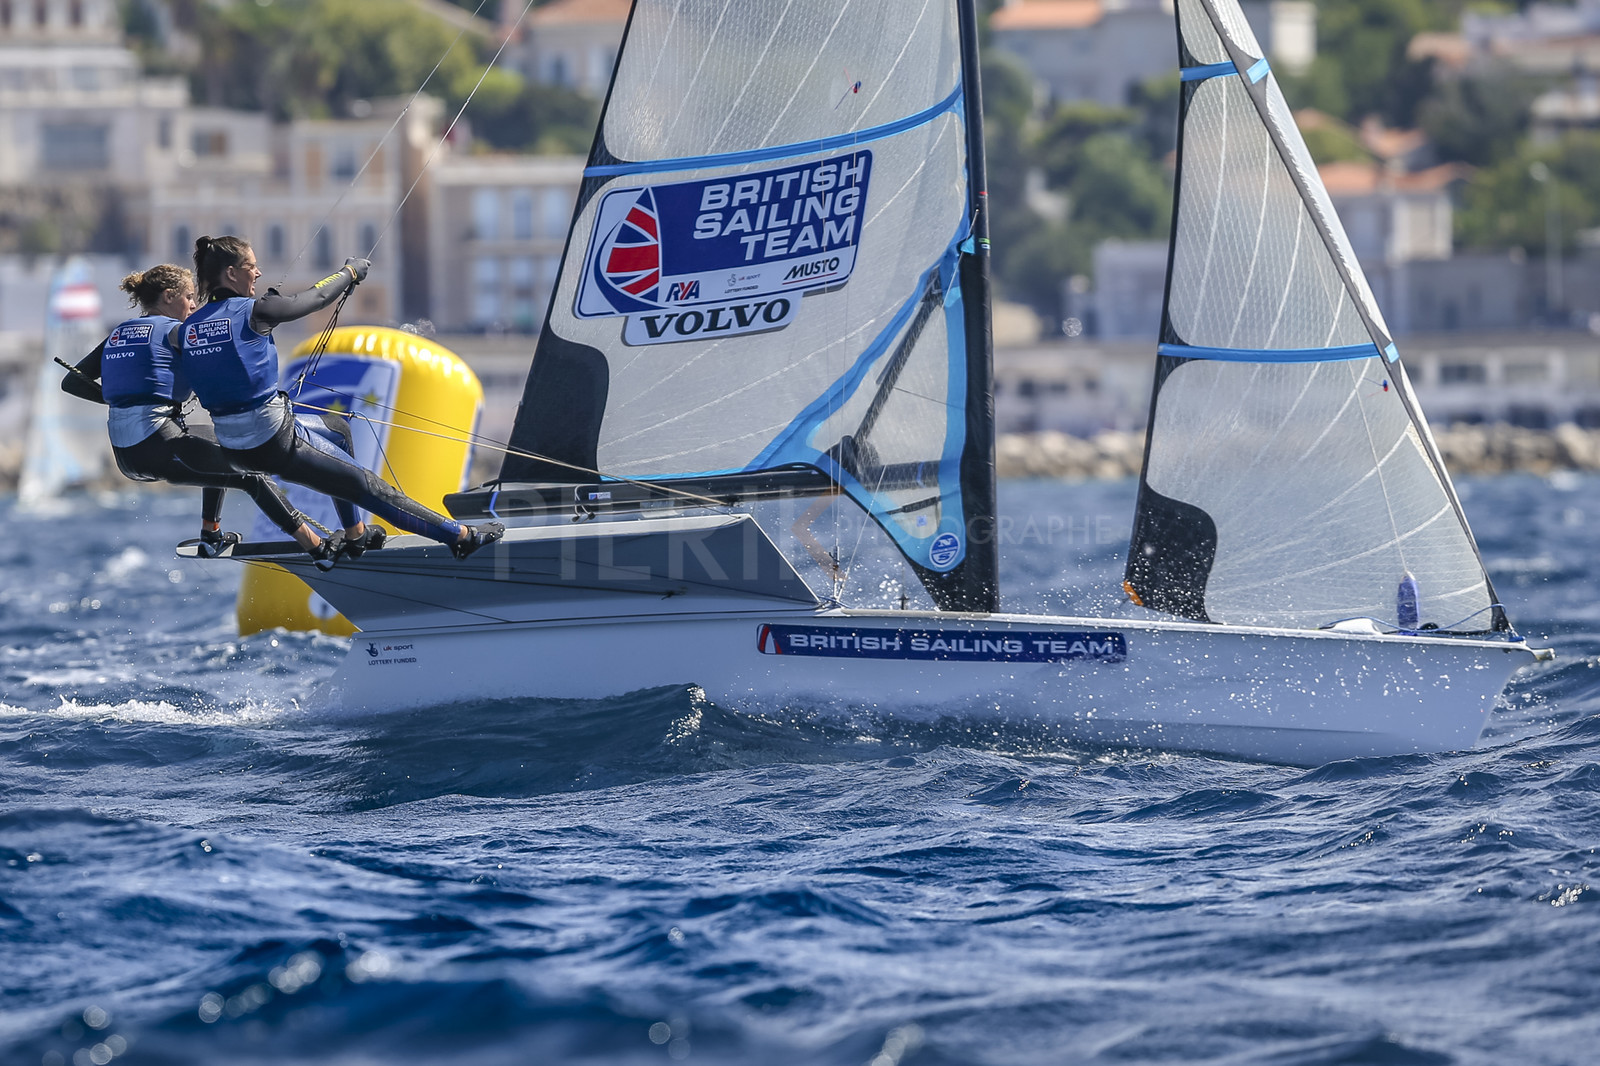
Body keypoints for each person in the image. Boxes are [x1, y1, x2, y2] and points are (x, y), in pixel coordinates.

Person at [179, 235, 502, 558]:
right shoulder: (256, 310)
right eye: (251, 266)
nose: (259, 273)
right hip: (275, 441)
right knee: (372, 490)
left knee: (338, 430)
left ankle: (356, 533)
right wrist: (350, 273)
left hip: (235, 451)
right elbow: (317, 298)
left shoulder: (188, 328)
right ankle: (461, 537)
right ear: (232, 273)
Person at [60, 264, 342, 564]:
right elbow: (222, 352)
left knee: (224, 446)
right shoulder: (175, 332)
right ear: (169, 297)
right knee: (250, 474)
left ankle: (211, 535)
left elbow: (72, 381)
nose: (195, 305)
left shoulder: (119, 333)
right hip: (157, 445)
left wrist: (120, 399)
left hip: (128, 454)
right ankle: (318, 549)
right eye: (190, 297)